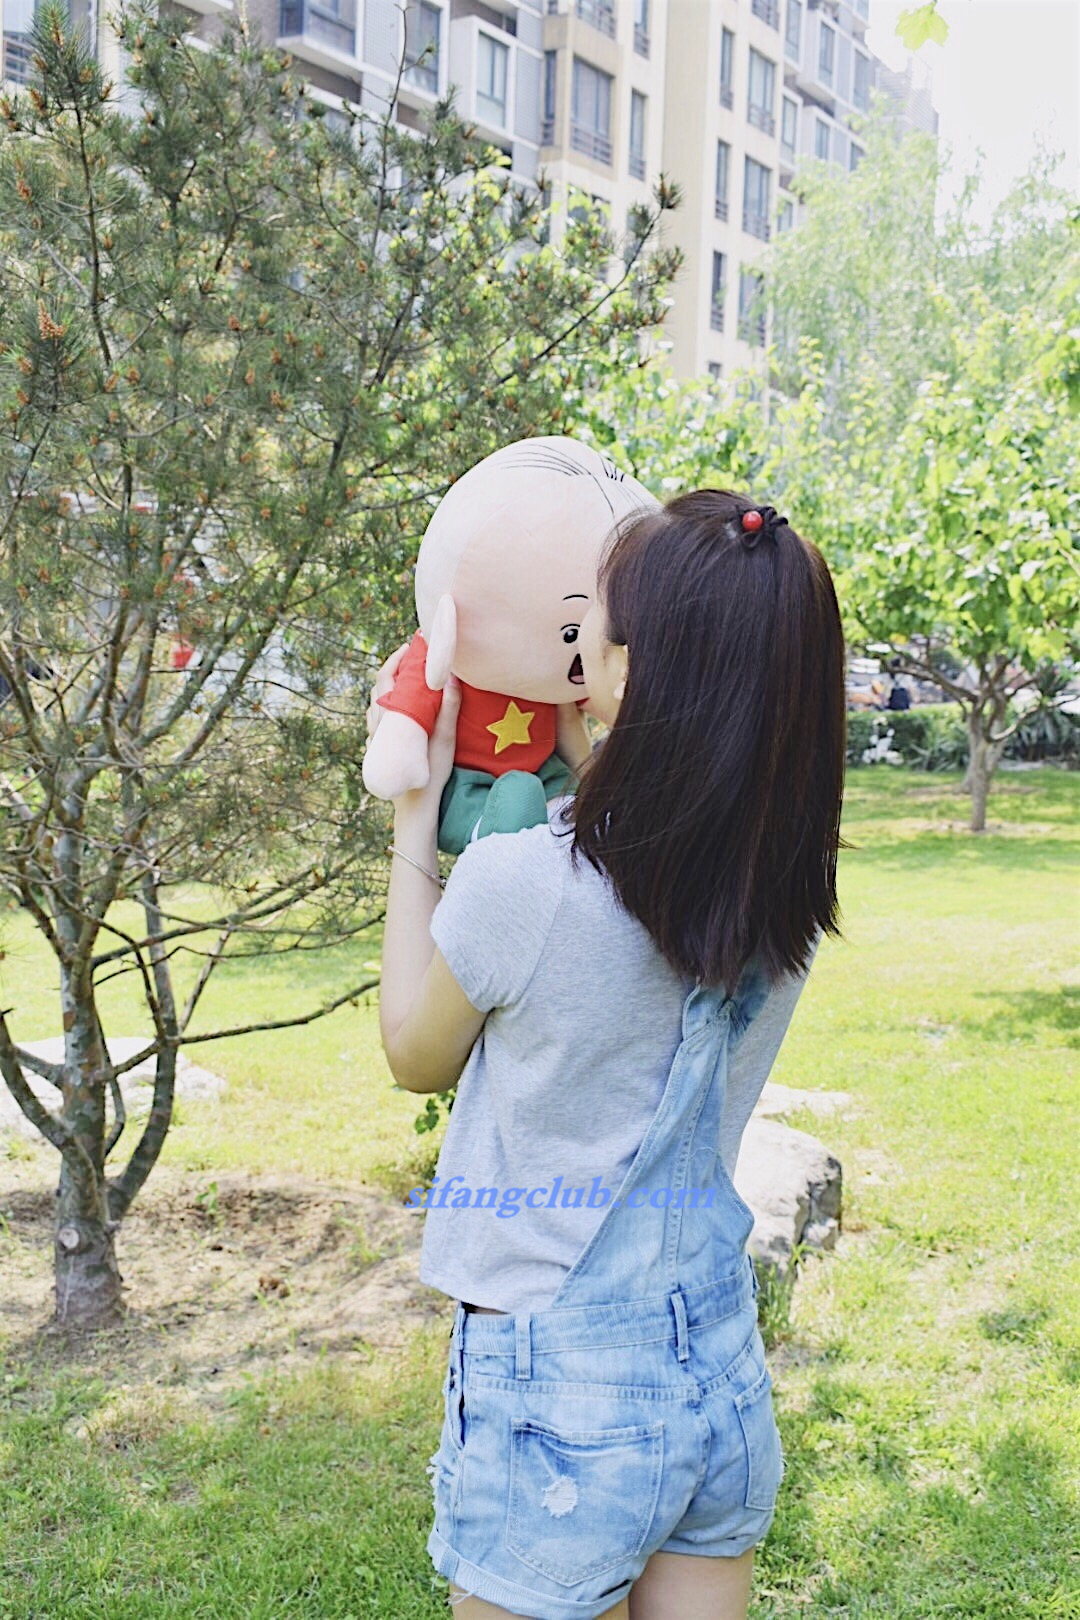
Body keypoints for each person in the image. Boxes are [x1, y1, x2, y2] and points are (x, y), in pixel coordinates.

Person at [371, 488, 847, 1620]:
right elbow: (654, 859)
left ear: (640, 675)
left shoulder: (521, 885)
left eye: (603, 633)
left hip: (558, 1380)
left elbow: (413, 1054)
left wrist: (414, 821)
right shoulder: (783, 888)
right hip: (715, 1354)